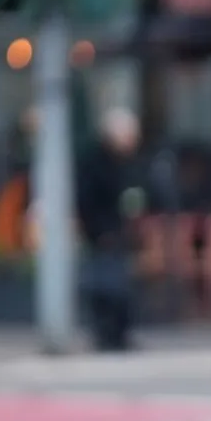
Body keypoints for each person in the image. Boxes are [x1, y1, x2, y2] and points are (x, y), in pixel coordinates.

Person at [75, 106, 145, 351]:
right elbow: (87, 201)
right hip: (103, 234)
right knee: (105, 286)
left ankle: (118, 333)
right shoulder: (95, 163)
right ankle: (106, 333)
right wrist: (98, 230)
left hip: (120, 233)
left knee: (120, 286)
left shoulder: (127, 164)